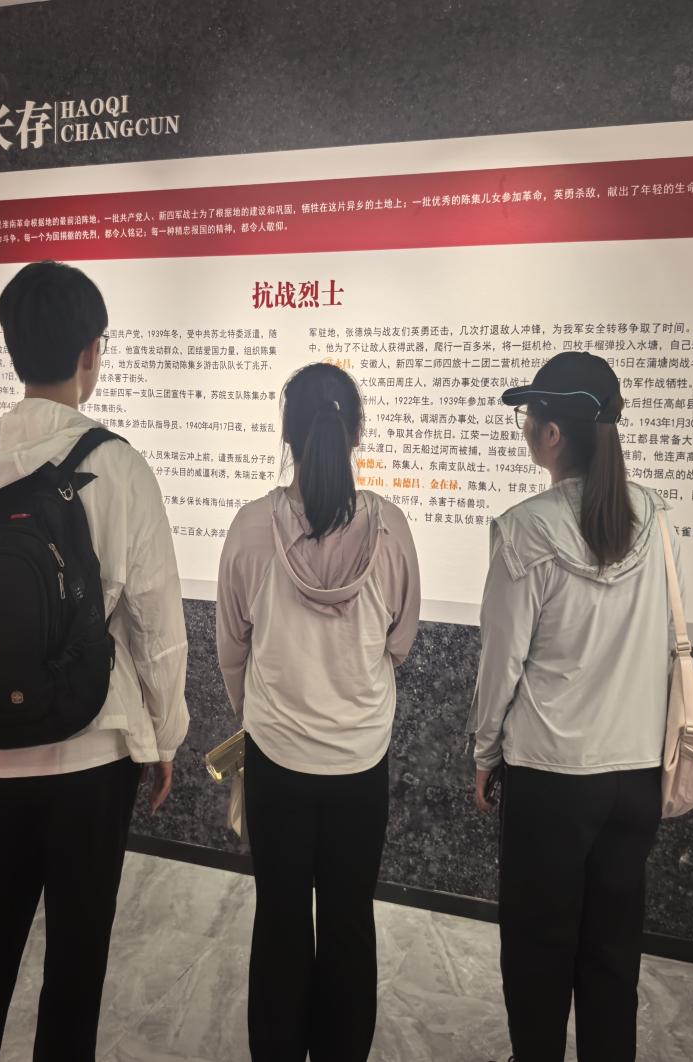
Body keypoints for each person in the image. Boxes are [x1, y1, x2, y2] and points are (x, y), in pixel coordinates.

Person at [0, 260, 189, 1061]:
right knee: (75, 966)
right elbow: (154, 620)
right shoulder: (118, 465)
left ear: (12, 348)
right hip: (90, 749)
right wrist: (162, 736)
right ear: (89, 352)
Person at [470, 351, 682, 1062]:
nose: (526, 429)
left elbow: (501, 661)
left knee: (538, 952)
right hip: (635, 775)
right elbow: (665, 637)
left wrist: (484, 751)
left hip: (552, 774)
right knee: (613, 956)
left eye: (528, 417)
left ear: (552, 433)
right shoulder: (654, 518)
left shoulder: (524, 529)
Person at [216, 362, 421, 1061]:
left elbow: (231, 649)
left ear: (287, 435)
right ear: (355, 432)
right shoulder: (390, 530)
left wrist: (259, 712)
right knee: (348, 919)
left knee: (278, 918)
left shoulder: (251, 527)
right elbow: (399, 643)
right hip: (360, 761)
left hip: (276, 758)